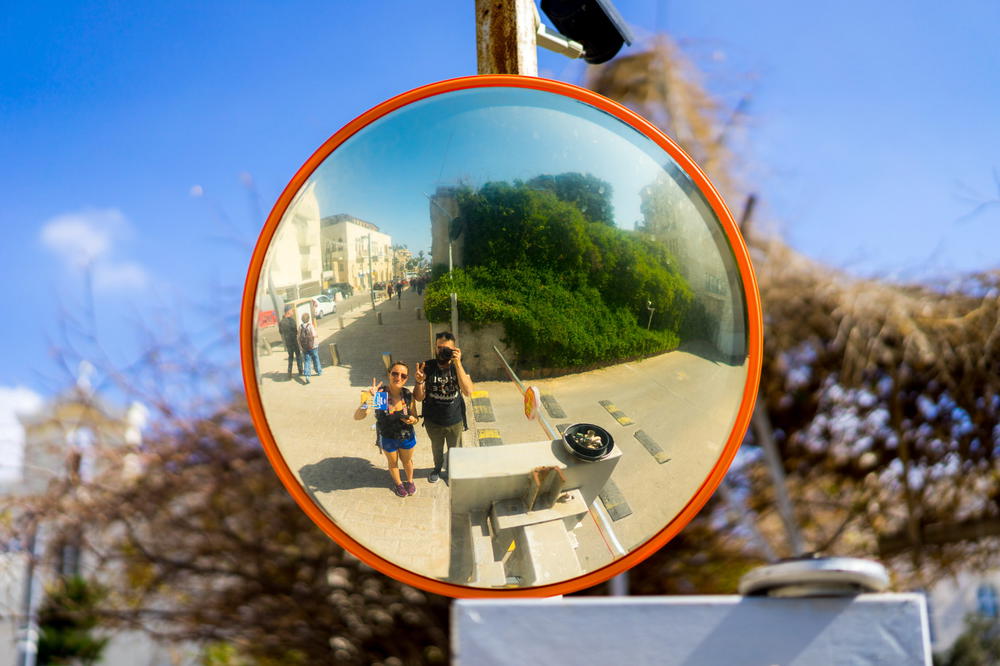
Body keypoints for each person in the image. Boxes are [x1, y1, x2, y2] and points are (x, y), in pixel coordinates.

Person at [414, 331, 473, 483]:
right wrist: (420, 381)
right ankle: (437, 468)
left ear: (454, 350)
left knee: (456, 450)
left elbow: (468, 391)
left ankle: (454, 472)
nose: (442, 351)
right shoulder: (427, 366)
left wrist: (458, 363)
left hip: (455, 419)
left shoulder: (459, 367)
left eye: (446, 348)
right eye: (439, 347)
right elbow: (419, 397)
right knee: (437, 449)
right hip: (433, 420)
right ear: (435, 348)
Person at [354, 362, 420, 497]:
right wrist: (369, 399)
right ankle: (399, 484)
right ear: (389, 374)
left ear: (406, 379)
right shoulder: (381, 395)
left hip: (406, 435)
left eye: (403, 375)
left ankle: (410, 481)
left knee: (407, 461)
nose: (398, 377)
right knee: (393, 462)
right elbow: (358, 417)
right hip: (388, 436)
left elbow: (416, 417)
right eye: (395, 373)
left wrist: (413, 420)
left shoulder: (407, 395)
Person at [278, 306, 303, 380]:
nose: (293, 312)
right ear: (288, 312)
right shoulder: (292, 320)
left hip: (288, 342)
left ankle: (289, 373)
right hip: (294, 341)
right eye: (292, 311)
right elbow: (296, 331)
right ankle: (300, 371)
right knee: (298, 356)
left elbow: (281, 332)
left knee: (290, 357)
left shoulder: (281, 322)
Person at [298, 312, 321, 384]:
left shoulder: (300, 327)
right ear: (308, 319)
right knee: (315, 358)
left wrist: (300, 346)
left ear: (302, 319)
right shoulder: (310, 326)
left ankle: (307, 375)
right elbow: (314, 335)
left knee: (307, 361)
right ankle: (318, 371)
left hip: (305, 347)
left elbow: (298, 337)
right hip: (313, 346)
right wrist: (317, 336)